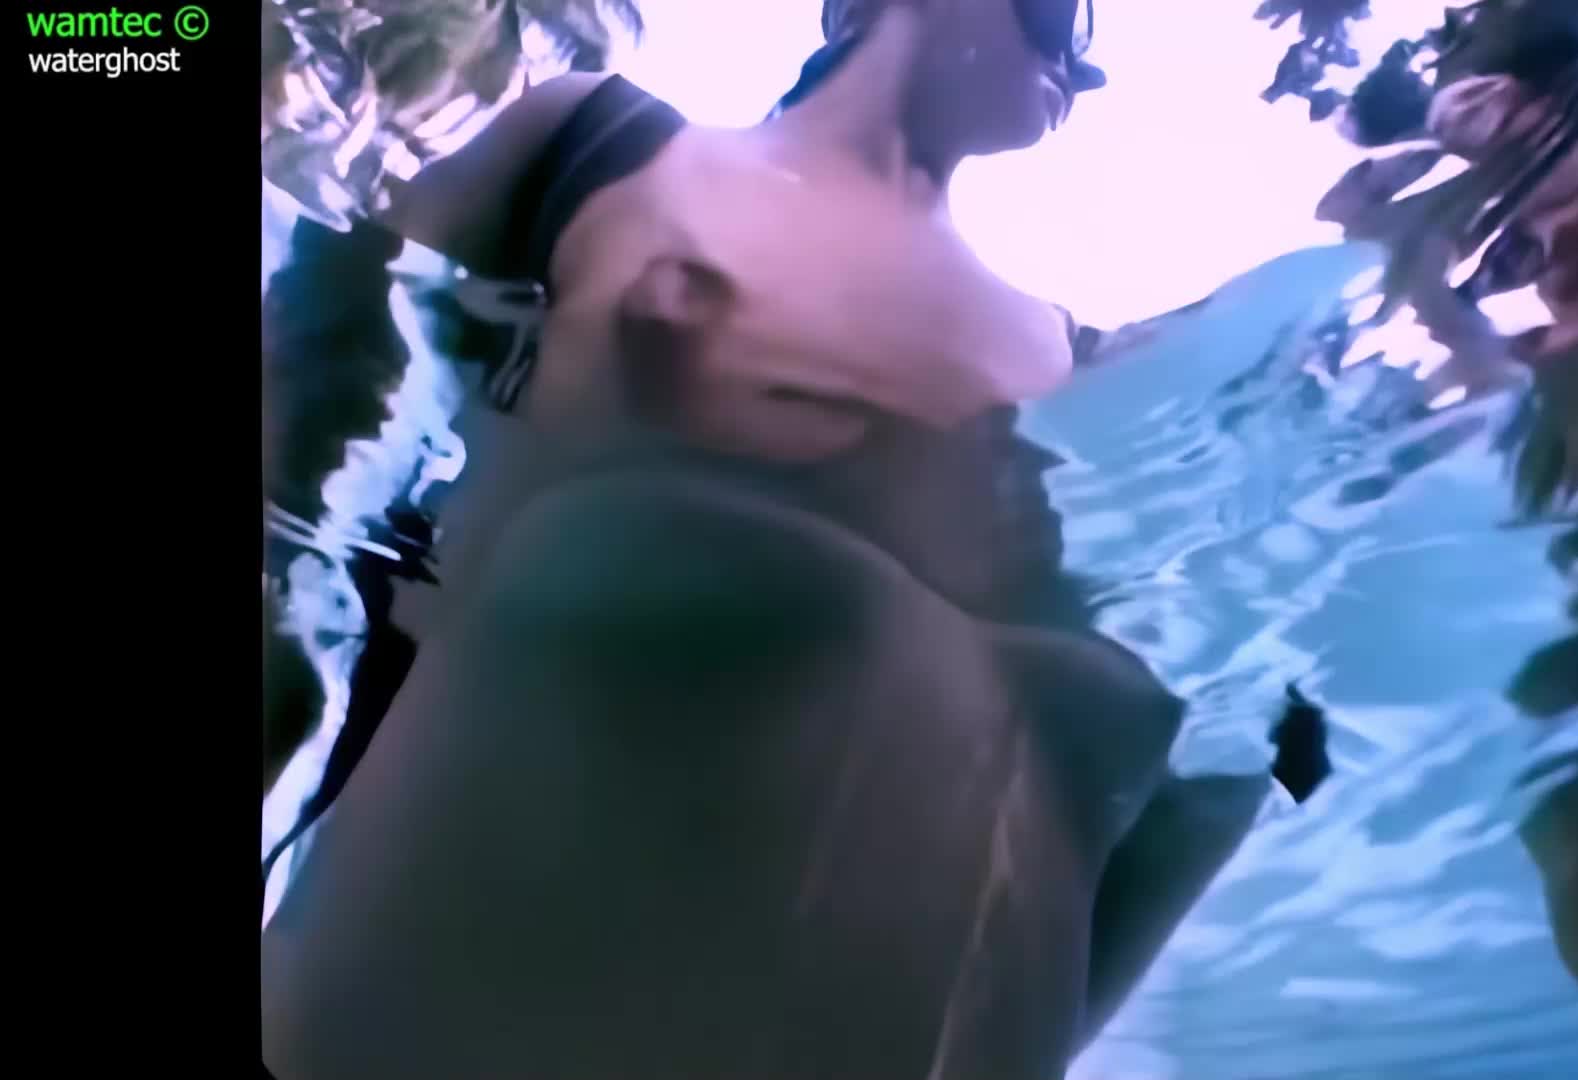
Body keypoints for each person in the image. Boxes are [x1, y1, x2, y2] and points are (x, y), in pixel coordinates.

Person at [261, 3, 1303, 1077]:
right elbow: (300, 451)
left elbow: (1140, 792)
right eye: (1060, 13)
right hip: (463, 930)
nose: (1083, 66)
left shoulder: (1070, 364)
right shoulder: (591, 145)